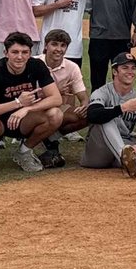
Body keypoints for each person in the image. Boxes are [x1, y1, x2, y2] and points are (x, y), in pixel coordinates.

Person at [0, 31, 64, 173]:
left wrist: (26, 109)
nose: (20, 57)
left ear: (30, 53)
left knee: (56, 114)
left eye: (24, 52)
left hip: (24, 119)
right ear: (5, 53)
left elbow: (56, 98)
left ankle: (24, 151)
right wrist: (17, 103)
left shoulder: (37, 65)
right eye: (15, 52)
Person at [37, 29, 89, 168]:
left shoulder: (72, 67)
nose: (59, 49)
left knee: (88, 115)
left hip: (57, 110)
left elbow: (83, 96)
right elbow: (23, 96)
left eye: (63, 45)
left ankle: (50, 138)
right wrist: (55, 93)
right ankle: (33, 140)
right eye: (54, 44)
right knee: (55, 113)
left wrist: (84, 106)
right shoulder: (33, 63)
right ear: (46, 45)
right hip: (34, 109)